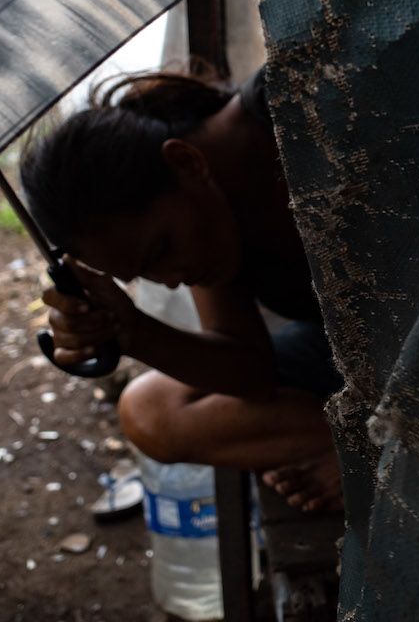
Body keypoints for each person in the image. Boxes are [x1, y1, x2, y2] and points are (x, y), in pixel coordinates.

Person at [20, 67, 344, 513]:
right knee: (150, 411)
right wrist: (129, 331)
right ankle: (360, 442)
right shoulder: (202, 211)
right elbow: (251, 373)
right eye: (142, 274)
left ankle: (386, 452)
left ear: (187, 163)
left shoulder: (293, 113)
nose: (171, 278)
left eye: (159, 251)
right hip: (357, 351)